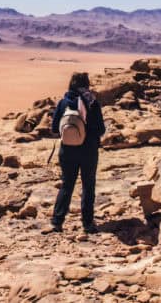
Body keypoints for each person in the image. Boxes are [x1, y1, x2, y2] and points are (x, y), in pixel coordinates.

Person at [46, 72, 106, 234]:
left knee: (67, 184)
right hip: (89, 151)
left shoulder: (63, 102)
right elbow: (101, 129)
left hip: (67, 150)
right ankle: (87, 224)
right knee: (88, 185)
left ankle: (57, 222)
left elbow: (53, 129)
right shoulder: (92, 102)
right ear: (87, 84)